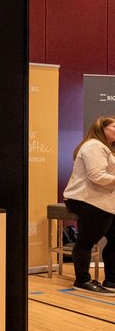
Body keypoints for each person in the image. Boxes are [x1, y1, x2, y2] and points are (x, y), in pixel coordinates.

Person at [63, 116, 115, 295]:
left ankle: (111, 280)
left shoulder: (105, 148)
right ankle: (82, 280)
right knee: (86, 241)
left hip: (102, 202)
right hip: (88, 201)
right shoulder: (94, 146)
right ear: (102, 128)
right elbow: (97, 176)